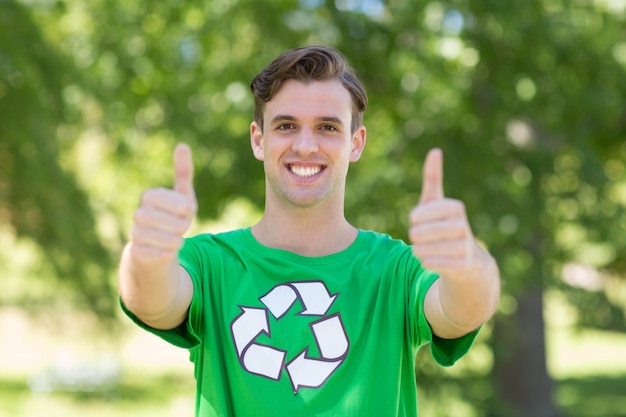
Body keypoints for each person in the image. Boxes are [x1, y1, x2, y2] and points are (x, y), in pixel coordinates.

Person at [118, 45, 500, 417]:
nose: (305, 145)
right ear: (258, 139)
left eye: (327, 127)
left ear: (355, 143)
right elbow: (154, 301)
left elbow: (458, 312)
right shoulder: (210, 264)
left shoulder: (395, 271)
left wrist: (467, 263)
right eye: (286, 126)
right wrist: (146, 255)